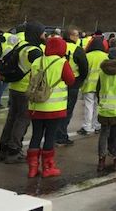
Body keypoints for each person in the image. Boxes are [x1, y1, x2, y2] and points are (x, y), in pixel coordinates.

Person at [27, 36, 75, 178]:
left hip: (36, 106)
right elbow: (70, 80)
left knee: (36, 135)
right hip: (54, 108)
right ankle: (48, 167)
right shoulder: (62, 63)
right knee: (50, 136)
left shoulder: (37, 61)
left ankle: (32, 168)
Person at [0, 22, 46, 163]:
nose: (45, 35)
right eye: (43, 33)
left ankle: (4, 148)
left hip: (14, 87)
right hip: (25, 90)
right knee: (22, 121)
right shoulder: (35, 51)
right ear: (37, 34)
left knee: (11, 119)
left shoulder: (22, 46)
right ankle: (14, 150)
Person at [55, 28, 88, 146]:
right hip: (72, 82)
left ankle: (54, 134)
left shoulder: (57, 46)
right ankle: (61, 135)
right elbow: (84, 68)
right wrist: (80, 80)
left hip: (57, 82)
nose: (78, 37)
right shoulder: (77, 50)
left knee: (56, 109)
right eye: (77, 35)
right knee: (67, 111)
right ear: (71, 36)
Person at [78, 35, 109, 135]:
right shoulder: (106, 56)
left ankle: (87, 126)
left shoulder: (87, 56)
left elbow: (83, 70)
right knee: (98, 106)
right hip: (102, 86)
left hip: (89, 85)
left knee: (88, 106)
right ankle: (97, 125)